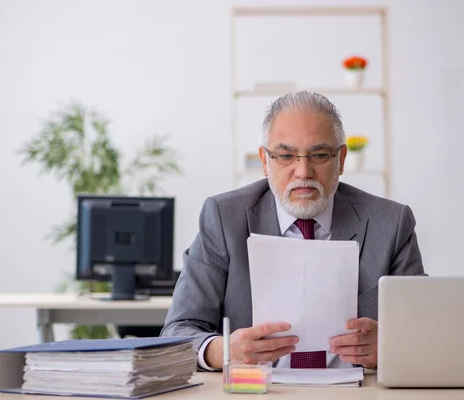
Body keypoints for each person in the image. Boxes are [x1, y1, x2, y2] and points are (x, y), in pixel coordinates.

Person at [161, 91, 425, 371]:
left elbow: (428, 332)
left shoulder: (392, 223)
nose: (303, 171)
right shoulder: (223, 218)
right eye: (286, 155)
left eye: (320, 155)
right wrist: (223, 350)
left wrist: (391, 346)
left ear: (341, 159)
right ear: (265, 160)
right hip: (258, 392)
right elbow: (178, 331)